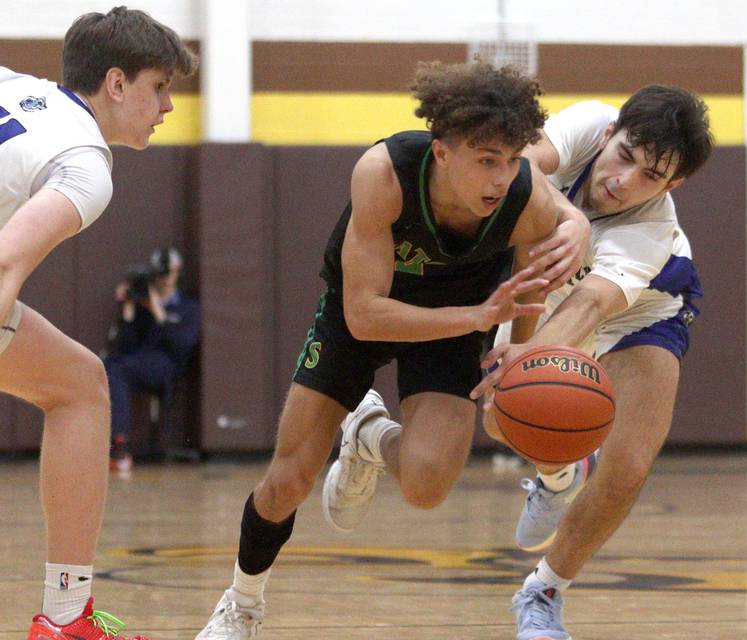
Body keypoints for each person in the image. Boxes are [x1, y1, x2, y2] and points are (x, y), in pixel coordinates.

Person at [195, 60, 591, 639]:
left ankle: (370, 436)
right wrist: (481, 317)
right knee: (288, 482)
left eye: (511, 161)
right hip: (368, 310)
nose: (501, 178)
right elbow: (363, 311)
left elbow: (530, 285)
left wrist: (517, 357)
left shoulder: (524, 197)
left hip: (458, 318)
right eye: (486, 161)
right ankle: (242, 602)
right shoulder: (383, 173)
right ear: (442, 152)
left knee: (428, 485)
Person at [471, 85, 713, 639]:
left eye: (650, 177)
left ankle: (545, 592)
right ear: (609, 134)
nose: (624, 180)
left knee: (627, 467)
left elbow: (595, 304)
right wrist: (570, 217)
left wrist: (529, 358)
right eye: (624, 155)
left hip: (643, 307)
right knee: (501, 417)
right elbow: (520, 166)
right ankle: (559, 475)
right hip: (553, 281)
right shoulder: (584, 124)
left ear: (671, 186)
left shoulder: (651, 229)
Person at [0, 7, 197, 640]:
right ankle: (62, 622)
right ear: (116, 83)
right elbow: (5, 259)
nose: (166, 106)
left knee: (82, 383)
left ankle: (66, 618)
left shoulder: (17, 88)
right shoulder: (86, 164)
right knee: (82, 388)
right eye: (159, 86)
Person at [105, 247, 201, 472]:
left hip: (167, 365)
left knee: (117, 367)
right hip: (137, 363)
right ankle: (117, 443)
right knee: (111, 366)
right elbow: (124, 349)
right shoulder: (142, 306)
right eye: (160, 274)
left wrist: (159, 312)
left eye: (170, 273)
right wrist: (128, 313)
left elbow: (181, 346)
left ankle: (119, 446)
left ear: (179, 274)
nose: (165, 279)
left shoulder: (189, 307)